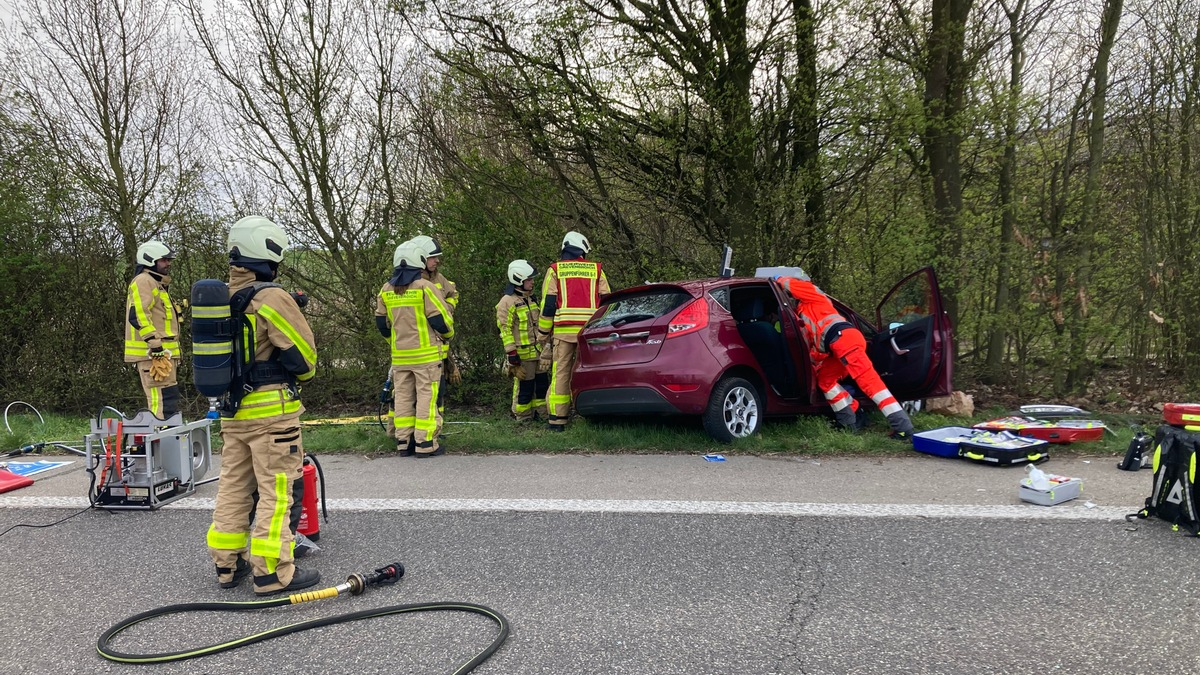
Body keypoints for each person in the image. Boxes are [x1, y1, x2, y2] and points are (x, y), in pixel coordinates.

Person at [206, 216, 320, 595]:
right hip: (272, 415)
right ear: (268, 254)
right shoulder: (271, 298)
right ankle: (271, 572)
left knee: (233, 487)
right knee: (276, 492)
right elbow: (305, 362)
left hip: (232, 413)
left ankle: (227, 564)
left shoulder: (220, 297)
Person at [773, 271, 914, 440]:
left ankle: (903, 428)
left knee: (870, 384)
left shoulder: (812, 294)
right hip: (836, 346)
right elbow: (815, 345)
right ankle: (848, 422)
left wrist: (779, 279)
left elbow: (793, 285)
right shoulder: (803, 312)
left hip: (845, 339)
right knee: (825, 381)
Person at [376, 242, 454, 457]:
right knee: (426, 398)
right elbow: (440, 320)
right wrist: (448, 336)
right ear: (418, 262)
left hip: (400, 357)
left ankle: (403, 442)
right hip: (426, 357)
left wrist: (394, 343)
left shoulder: (386, 290)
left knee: (402, 398)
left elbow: (381, 324)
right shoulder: (424, 287)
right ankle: (425, 443)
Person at [537, 231, 610, 431]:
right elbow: (607, 302)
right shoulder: (597, 270)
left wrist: (543, 334)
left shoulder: (555, 270)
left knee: (561, 374)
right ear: (583, 250)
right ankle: (595, 416)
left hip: (564, 332)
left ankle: (557, 420)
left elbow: (548, 305)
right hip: (590, 333)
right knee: (593, 372)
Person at [124, 241, 181, 419]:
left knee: (168, 399)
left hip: (163, 354)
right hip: (153, 354)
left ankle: (167, 430)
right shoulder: (144, 281)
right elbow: (139, 315)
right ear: (149, 260)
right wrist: (155, 345)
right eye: (163, 260)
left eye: (168, 260)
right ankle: (160, 432)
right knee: (160, 401)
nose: (168, 264)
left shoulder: (156, 283)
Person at [409, 235, 461, 407]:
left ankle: (436, 423)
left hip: (440, 348)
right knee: (413, 396)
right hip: (419, 350)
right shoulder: (410, 281)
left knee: (439, 393)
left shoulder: (439, 278)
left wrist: (448, 308)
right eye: (432, 257)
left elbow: (453, 294)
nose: (437, 261)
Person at [496, 260, 549, 422]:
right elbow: (504, 329)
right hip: (522, 355)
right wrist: (512, 355)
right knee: (525, 387)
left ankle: (541, 414)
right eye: (529, 279)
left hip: (538, 353)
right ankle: (523, 417)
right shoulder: (507, 301)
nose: (532, 282)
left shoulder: (531, 299)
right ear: (518, 279)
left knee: (542, 385)